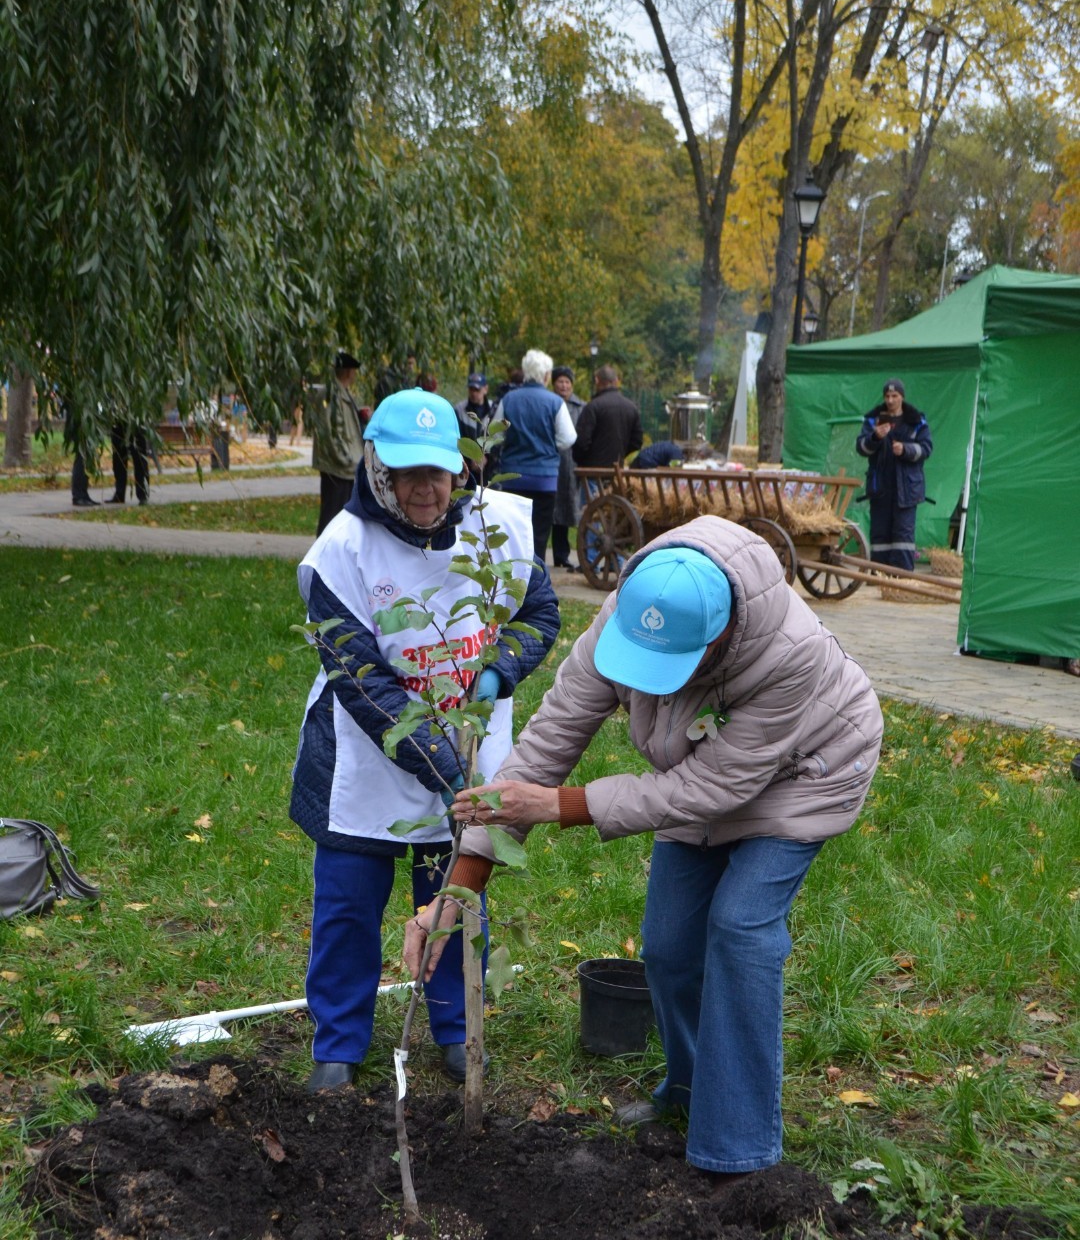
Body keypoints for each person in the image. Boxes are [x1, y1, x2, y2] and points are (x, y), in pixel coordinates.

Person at [406, 521, 882, 1184]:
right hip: (693, 773)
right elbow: (545, 747)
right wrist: (452, 898)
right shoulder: (627, 613)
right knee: (667, 944)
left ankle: (739, 1151)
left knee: (740, 927)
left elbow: (709, 787)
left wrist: (559, 806)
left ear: (719, 636)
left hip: (806, 773)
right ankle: (689, 1091)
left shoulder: (786, 656)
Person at [290, 388, 560, 1093]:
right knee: (348, 897)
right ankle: (339, 1043)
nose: (424, 488)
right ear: (377, 468)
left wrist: (501, 671)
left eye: (437, 471)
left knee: (452, 890)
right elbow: (362, 678)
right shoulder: (340, 552)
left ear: (459, 467)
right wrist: (441, 765)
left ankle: (454, 1025)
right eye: (407, 472)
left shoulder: (498, 530)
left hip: (467, 743)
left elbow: (537, 610)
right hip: (366, 753)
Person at [493, 349, 577, 568]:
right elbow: (568, 438)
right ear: (547, 375)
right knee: (539, 534)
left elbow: (493, 435)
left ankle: (512, 575)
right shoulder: (555, 402)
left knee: (513, 531)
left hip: (513, 477)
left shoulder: (508, 399)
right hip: (544, 479)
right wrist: (549, 446)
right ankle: (535, 576)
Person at [856, 379, 933, 572]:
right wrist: (875, 438)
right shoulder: (873, 421)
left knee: (903, 533)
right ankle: (879, 575)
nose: (890, 400)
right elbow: (861, 447)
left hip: (907, 488)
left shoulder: (916, 422)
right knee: (880, 532)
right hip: (880, 486)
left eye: (895, 396)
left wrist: (905, 449)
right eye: (887, 396)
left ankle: (902, 577)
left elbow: (926, 448)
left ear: (902, 397)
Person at [312, 352, 366, 535]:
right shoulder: (331, 394)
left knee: (342, 516)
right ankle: (322, 556)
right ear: (349, 372)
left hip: (346, 468)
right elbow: (330, 431)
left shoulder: (340, 392)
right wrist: (345, 459)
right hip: (338, 468)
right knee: (331, 516)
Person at [572, 364, 644, 486]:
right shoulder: (631, 408)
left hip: (591, 473)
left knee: (590, 505)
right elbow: (637, 441)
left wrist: (582, 460)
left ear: (597, 380)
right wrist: (619, 453)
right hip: (616, 474)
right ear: (616, 381)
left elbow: (581, 441)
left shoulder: (593, 407)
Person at [550, 366, 586, 571]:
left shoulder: (581, 407)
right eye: (560, 382)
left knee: (568, 506)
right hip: (553, 461)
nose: (564, 385)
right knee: (553, 509)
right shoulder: (550, 403)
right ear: (554, 384)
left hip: (573, 463)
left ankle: (569, 553)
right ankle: (554, 553)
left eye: (567, 382)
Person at [107, 421, 150, 505]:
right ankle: (119, 494)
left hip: (136, 421)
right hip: (118, 421)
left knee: (139, 459)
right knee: (118, 459)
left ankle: (143, 494)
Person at [454, 373, 492, 444]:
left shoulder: (494, 409)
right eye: (471, 389)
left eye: (477, 390)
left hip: (487, 454)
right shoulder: (459, 410)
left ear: (485, 389)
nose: (474, 393)